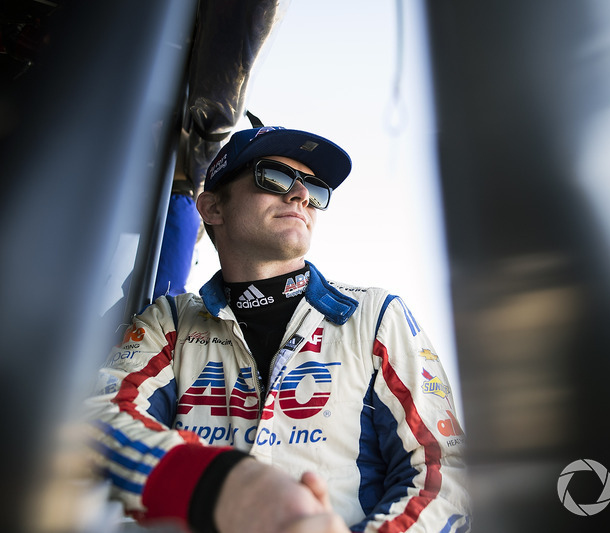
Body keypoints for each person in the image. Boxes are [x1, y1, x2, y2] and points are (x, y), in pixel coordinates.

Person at [86, 126, 470, 533]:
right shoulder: (170, 322)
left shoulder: (376, 316)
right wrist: (226, 488)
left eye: (314, 189)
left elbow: (445, 475)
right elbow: (97, 419)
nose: (301, 195)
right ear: (212, 207)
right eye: (274, 176)